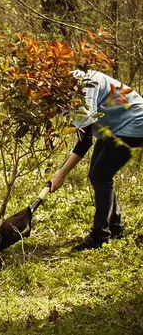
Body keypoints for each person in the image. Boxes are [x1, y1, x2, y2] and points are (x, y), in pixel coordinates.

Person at [50, 69, 143, 251]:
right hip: (114, 125)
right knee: (98, 175)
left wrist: (61, 173)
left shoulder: (83, 88)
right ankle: (114, 228)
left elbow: (85, 142)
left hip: (134, 123)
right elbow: (83, 133)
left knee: (100, 175)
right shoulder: (66, 87)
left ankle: (100, 236)